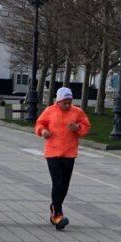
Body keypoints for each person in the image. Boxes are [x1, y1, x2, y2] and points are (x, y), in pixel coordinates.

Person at [34, 86, 91, 230]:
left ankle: (55, 205)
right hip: (52, 153)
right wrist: (43, 131)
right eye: (64, 102)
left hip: (69, 153)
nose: (67, 105)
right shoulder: (50, 111)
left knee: (64, 185)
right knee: (57, 182)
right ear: (58, 101)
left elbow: (86, 126)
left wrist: (78, 127)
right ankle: (57, 214)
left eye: (69, 102)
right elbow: (39, 124)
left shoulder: (77, 112)